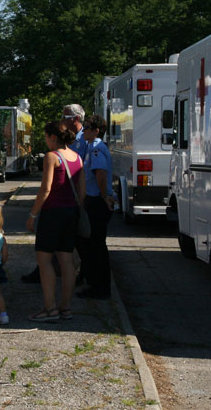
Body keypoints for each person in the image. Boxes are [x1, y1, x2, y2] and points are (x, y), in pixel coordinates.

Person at [25, 120, 85, 322]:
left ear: (52, 137)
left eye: (45, 136)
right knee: (67, 261)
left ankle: (49, 308)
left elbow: (46, 189)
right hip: (71, 213)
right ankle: (65, 308)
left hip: (52, 214)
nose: (45, 140)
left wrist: (33, 214)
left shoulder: (52, 157)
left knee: (44, 261)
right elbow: (82, 192)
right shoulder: (77, 157)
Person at [77, 114, 115, 299]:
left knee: (96, 246)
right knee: (91, 245)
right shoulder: (91, 147)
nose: (83, 130)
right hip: (93, 200)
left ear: (96, 130)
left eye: (87, 128)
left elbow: (100, 175)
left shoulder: (97, 149)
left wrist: (104, 196)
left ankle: (100, 288)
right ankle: (94, 284)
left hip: (97, 202)